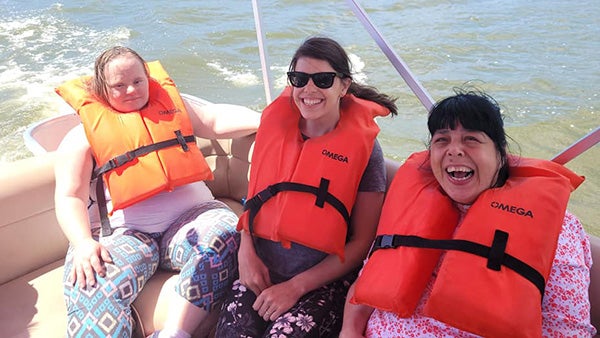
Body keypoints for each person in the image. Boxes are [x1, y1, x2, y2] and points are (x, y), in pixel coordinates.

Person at [340, 89, 596, 337]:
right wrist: (349, 330)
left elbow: (566, 330)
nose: (454, 150)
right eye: (442, 140)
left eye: (471, 139)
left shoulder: (555, 229)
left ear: (500, 153)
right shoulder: (409, 205)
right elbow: (365, 285)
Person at [53, 46, 261, 338]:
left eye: (138, 81)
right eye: (119, 85)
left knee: (227, 235)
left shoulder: (174, 105)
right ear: (102, 89)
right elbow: (69, 196)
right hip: (125, 233)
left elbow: (214, 120)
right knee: (89, 280)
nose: (131, 90)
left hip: (193, 218)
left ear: (147, 78)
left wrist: (270, 119)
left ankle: (176, 332)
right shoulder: (80, 136)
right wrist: (83, 242)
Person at [214, 36, 398, 337]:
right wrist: (246, 255)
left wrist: (295, 287)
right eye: (299, 79)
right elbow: (255, 200)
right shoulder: (275, 132)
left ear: (344, 86)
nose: (309, 89)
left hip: (321, 281)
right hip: (260, 266)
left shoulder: (367, 152)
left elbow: (362, 242)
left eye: (323, 80)